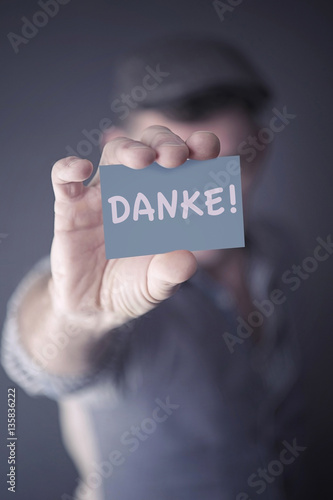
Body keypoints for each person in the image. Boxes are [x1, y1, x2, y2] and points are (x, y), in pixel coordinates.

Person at [1, 37, 303, 500]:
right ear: (115, 150)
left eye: (233, 164)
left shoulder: (281, 251)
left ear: (260, 153)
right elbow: (43, 358)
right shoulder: (110, 272)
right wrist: (74, 315)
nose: (206, 193)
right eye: (177, 167)